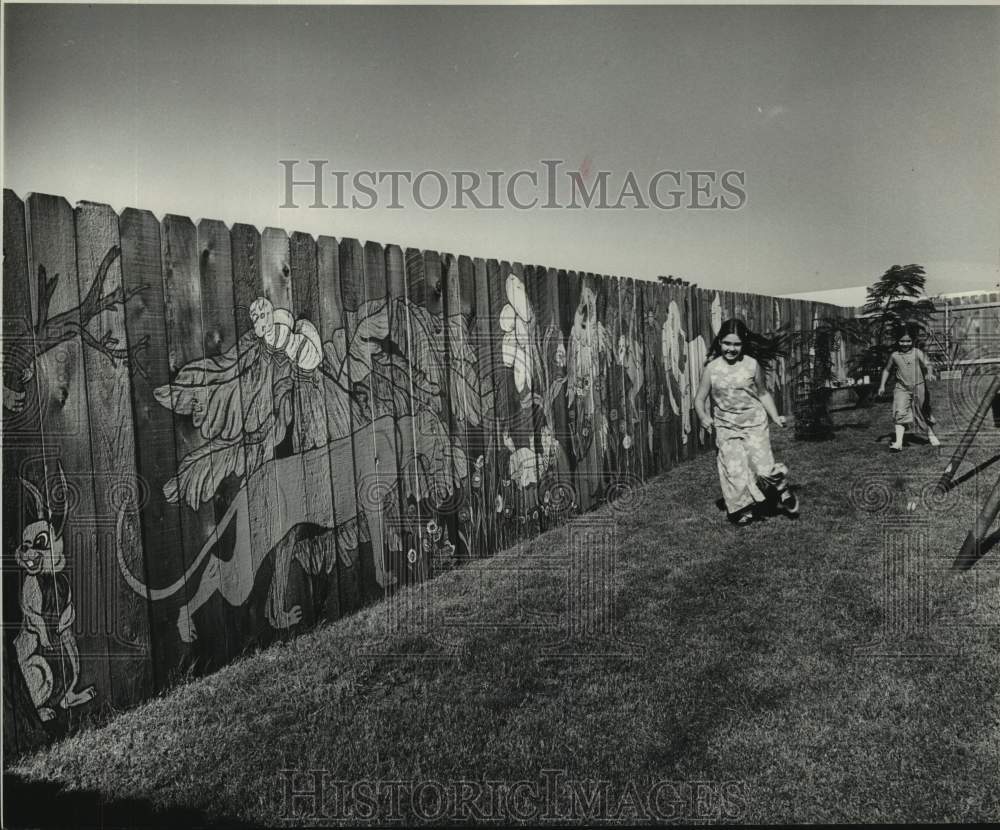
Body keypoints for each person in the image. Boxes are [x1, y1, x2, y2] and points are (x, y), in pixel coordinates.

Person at [694, 318, 798, 525]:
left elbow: (763, 393)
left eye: (737, 344)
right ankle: (743, 509)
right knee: (734, 469)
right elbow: (699, 398)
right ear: (719, 342)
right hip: (726, 426)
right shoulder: (711, 368)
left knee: (763, 469)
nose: (731, 349)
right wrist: (703, 417)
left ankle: (782, 488)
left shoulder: (751, 364)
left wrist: (775, 416)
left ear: (743, 344)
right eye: (727, 343)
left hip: (754, 424)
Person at [877, 325, 940, 450]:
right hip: (902, 388)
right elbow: (887, 370)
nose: (905, 344)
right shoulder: (895, 355)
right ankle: (898, 443)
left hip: (918, 386)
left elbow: (928, 364)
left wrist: (929, 372)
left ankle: (931, 434)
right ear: (897, 341)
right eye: (902, 341)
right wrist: (882, 385)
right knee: (899, 411)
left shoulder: (917, 352)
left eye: (908, 341)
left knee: (922, 412)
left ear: (912, 340)